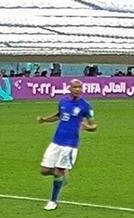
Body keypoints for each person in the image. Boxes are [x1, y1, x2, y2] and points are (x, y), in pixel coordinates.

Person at [36, 78, 96, 210]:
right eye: (75, 87)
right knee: (44, 170)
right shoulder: (63, 101)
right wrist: (44, 119)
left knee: (58, 171)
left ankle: (53, 201)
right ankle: (62, 176)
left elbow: (94, 126)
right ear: (69, 88)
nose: (78, 90)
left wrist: (87, 127)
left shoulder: (85, 106)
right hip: (56, 141)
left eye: (80, 87)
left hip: (70, 144)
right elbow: (59, 115)